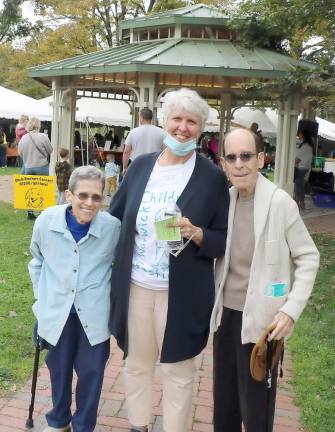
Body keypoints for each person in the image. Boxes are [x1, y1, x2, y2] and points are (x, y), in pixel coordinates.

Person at [108, 88, 229, 432]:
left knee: (178, 372)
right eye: (176, 118)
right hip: (135, 287)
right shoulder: (141, 166)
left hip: (183, 293)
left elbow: (222, 240)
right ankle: (139, 425)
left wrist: (197, 233)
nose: (182, 127)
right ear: (164, 122)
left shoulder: (212, 178)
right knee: (136, 364)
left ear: (201, 128)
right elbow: (114, 217)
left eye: (192, 121)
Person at [211, 128, 320, 432]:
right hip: (226, 319)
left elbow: (309, 257)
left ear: (260, 159)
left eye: (246, 156)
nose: (239, 164)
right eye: (231, 157)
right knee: (225, 410)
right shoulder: (225, 200)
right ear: (223, 164)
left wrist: (290, 310)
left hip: (263, 325)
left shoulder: (280, 203)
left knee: (257, 415)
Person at [28, 166, 121, 432]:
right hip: (56, 312)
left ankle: (83, 426)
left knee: (92, 374)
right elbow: (37, 262)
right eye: (83, 195)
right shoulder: (46, 222)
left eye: (96, 197)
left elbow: (119, 266)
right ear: (68, 194)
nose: (89, 203)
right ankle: (58, 422)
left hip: (94, 315)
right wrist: (42, 299)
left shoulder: (113, 228)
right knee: (59, 370)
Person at [18, 117, 53, 219]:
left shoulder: (24, 138)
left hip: (28, 166)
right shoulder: (43, 136)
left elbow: (20, 152)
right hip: (42, 166)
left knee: (29, 189)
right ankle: (43, 212)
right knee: (43, 189)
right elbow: (50, 150)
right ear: (38, 125)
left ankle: (30, 212)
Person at [122, 107, 165, 174]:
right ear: (151, 118)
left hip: (137, 166)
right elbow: (165, 151)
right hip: (154, 166)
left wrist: (124, 167)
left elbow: (126, 151)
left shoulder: (133, 132)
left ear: (141, 117)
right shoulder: (161, 132)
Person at [294, 128, 314, 210]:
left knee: (298, 186)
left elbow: (298, 158)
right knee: (299, 185)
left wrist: (294, 164)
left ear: (303, 135)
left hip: (301, 168)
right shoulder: (306, 145)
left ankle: (301, 202)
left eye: (300, 133)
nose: (299, 135)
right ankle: (298, 201)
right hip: (303, 168)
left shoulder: (305, 146)